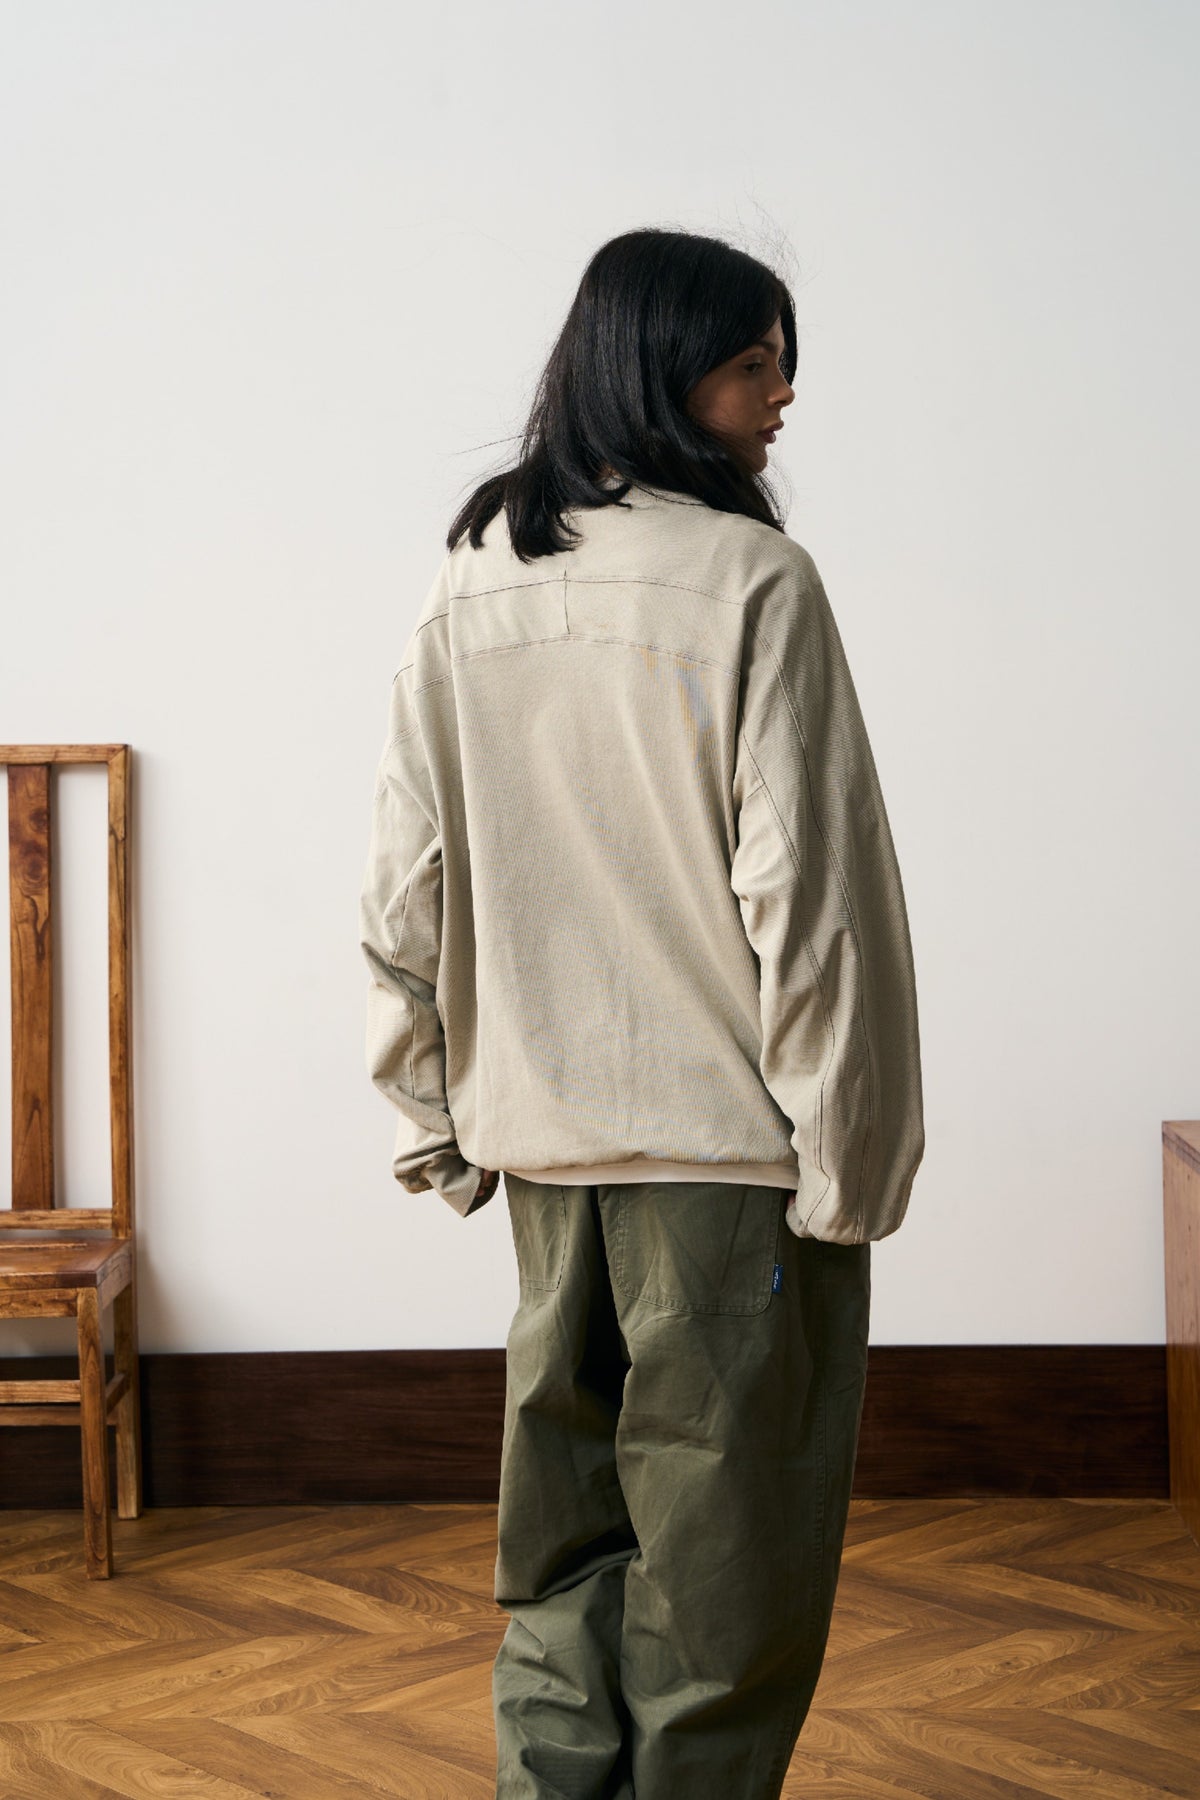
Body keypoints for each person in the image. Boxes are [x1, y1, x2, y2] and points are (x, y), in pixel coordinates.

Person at [359, 227, 925, 1799]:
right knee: (725, 1568)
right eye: (754, 362)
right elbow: (811, 902)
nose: (783, 394)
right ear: (665, 371)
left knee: (562, 1545)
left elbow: (403, 878)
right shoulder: (754, 581)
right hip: (725, 1162)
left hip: (544, 1145)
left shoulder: (475, 573)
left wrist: (435, 1114)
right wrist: (851, 1162)